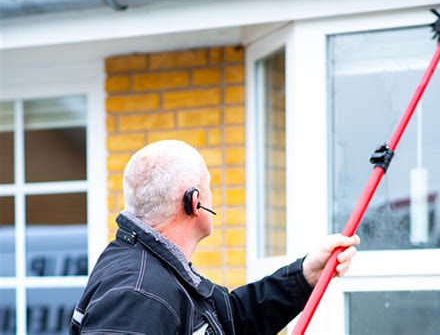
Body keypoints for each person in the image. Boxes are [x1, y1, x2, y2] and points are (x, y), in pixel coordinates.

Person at [70, 140, 359, 334]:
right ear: (194, 201)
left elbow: (230, 317)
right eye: (208, 186)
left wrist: (305, 274)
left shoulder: (160, 271)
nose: (213, 195)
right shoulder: (139, 295)